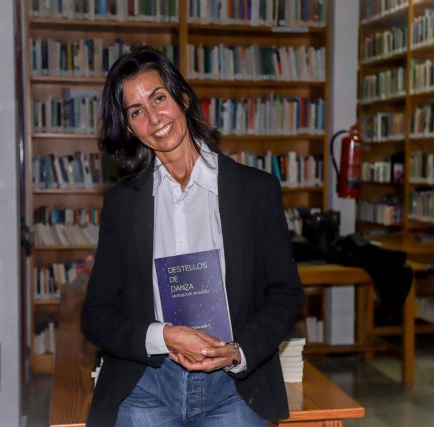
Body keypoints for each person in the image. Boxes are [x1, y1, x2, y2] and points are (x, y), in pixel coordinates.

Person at [80, 46, 304, 426]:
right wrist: (162, 336)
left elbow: (286, 293)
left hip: (234, 386)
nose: (153, 118)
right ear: (130, 126)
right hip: (147, 386)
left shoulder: (256, 191)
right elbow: (96, 316)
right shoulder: (123, 204)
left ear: (183, 98)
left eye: (159, 98)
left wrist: (237, 352)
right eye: (136, 111)